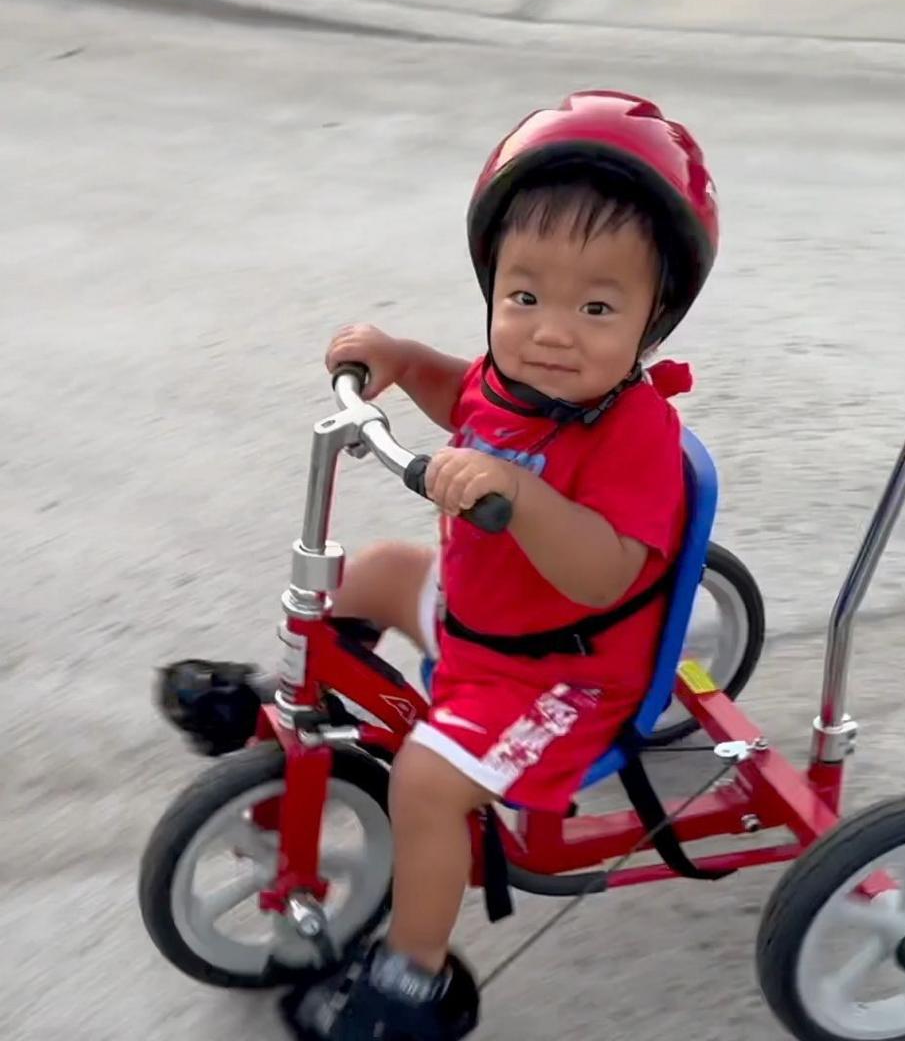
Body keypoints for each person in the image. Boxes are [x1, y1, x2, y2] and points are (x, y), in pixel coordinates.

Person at [283, 89, 719, 1041]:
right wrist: (404, 358)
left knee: (430, 786)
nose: (552, 331)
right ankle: (300, 706)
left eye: (597, 306)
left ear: (655, 318)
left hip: (560, 672)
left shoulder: (637, 434)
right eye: (525, 297)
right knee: (374, 573)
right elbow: (464, 399)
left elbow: (605, 575)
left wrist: (520, 499)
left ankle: (413, 978)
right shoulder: (515, 374)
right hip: (484, 620)